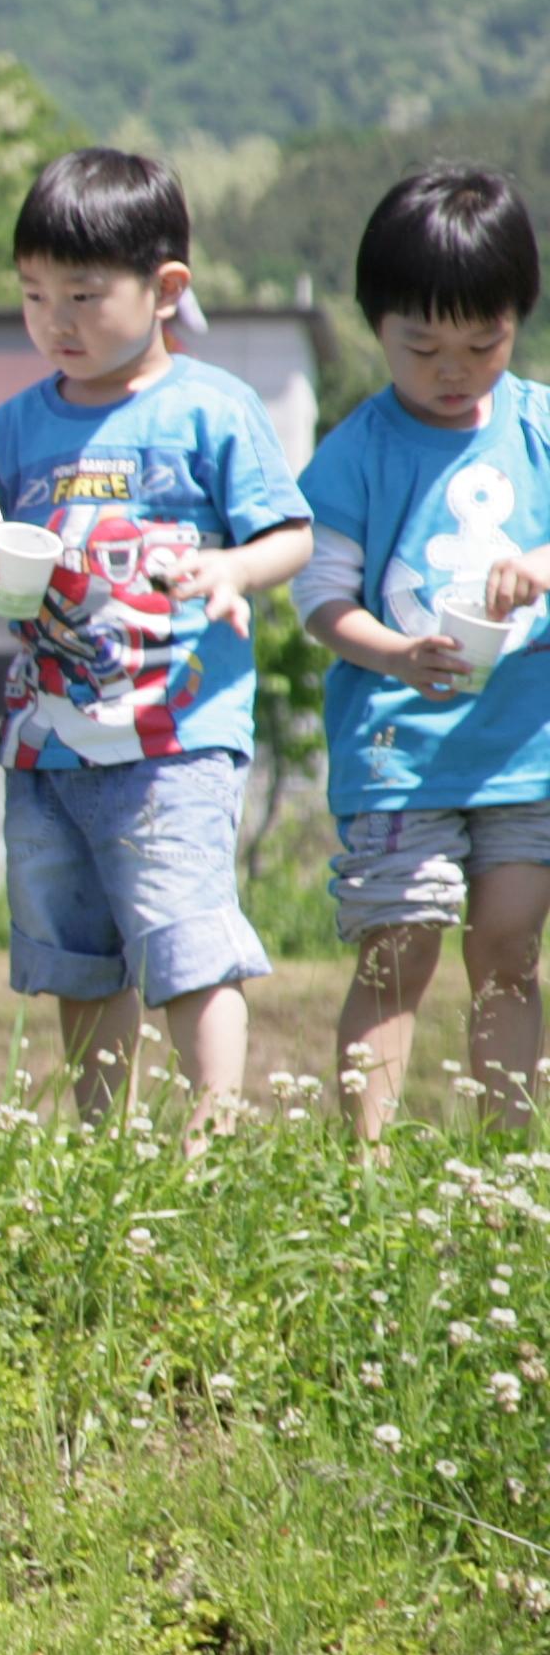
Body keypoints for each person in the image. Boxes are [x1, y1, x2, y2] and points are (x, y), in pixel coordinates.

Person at [0, 149, 311, 1123]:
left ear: (167, 289)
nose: (57, 322)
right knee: (78, 949)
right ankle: (103, 1143)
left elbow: (288, 534)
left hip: (175, 736)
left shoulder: (211, 408)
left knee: (186, 935)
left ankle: (212, 1134)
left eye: (84, 296)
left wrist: (233, 569)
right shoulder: (12, 427)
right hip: (47, 736)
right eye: (36, 296)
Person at [292, 165, 549, 1139]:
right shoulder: (355, 452)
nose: (454, 369)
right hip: (397, 752)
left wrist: (537, 564)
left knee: (510, 944)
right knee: (396, 949)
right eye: (422, 346)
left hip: (523, 748)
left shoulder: (537, 425)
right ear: (377, 325)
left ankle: (508, 1168)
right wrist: (394, 653)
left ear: (515, 319)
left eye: (482, 343)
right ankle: (365, 1175)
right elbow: (319, 598)